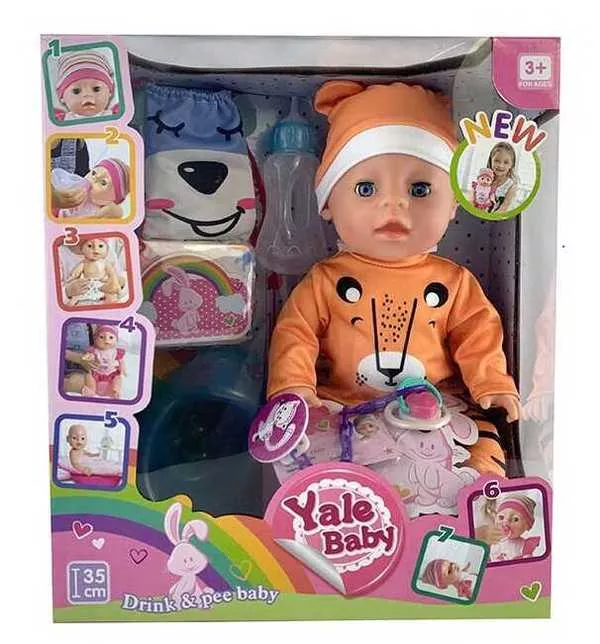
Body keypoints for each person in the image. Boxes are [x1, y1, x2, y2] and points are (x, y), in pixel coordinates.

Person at [267, 82, 520, 477]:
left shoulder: (453, 281)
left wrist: (492, 384)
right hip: (343, 410)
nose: (394, 203)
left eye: (420, 189)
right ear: (328, 202)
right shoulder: (325, 280)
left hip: (436, 409)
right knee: (305, 464)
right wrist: (293, 388)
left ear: (454, 204)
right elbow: (295, 334)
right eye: (366, 188)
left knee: (482, 454)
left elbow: (478, 335)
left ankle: (473, 507)